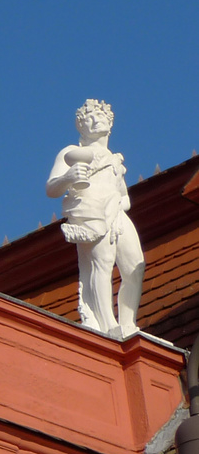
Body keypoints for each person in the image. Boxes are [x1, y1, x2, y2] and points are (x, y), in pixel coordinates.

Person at [45, 99, 143, 338]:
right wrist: (68, 176)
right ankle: (108, 324)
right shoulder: (70, 153)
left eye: (100, 116)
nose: (95, 119)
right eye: (88, 118)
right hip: (92, 212)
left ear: (110, 125)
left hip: (115, 213)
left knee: (135, 267)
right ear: (81, 127)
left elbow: (125, 196)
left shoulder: (114, 159)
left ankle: (128, 323)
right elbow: (51, 188)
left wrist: (117, 205)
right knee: (103, 263)